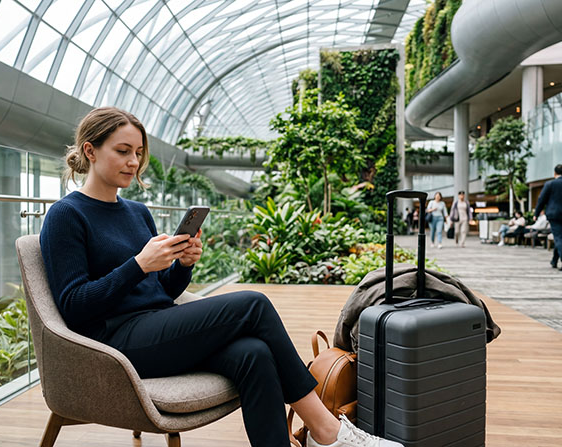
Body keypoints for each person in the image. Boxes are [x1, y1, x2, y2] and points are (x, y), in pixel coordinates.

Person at [39, 107, 401, 447]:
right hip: (112, 345)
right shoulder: (65, 215)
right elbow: (73, 307)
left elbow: (162, 294)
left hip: (156, 327)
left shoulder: (137, 212)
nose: (134, 162)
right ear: (90, 150)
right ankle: (327, 431)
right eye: (123, 151)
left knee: (254, 353)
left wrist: (182, 265)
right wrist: (139, 264)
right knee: (253, 303)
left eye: (138, 152)